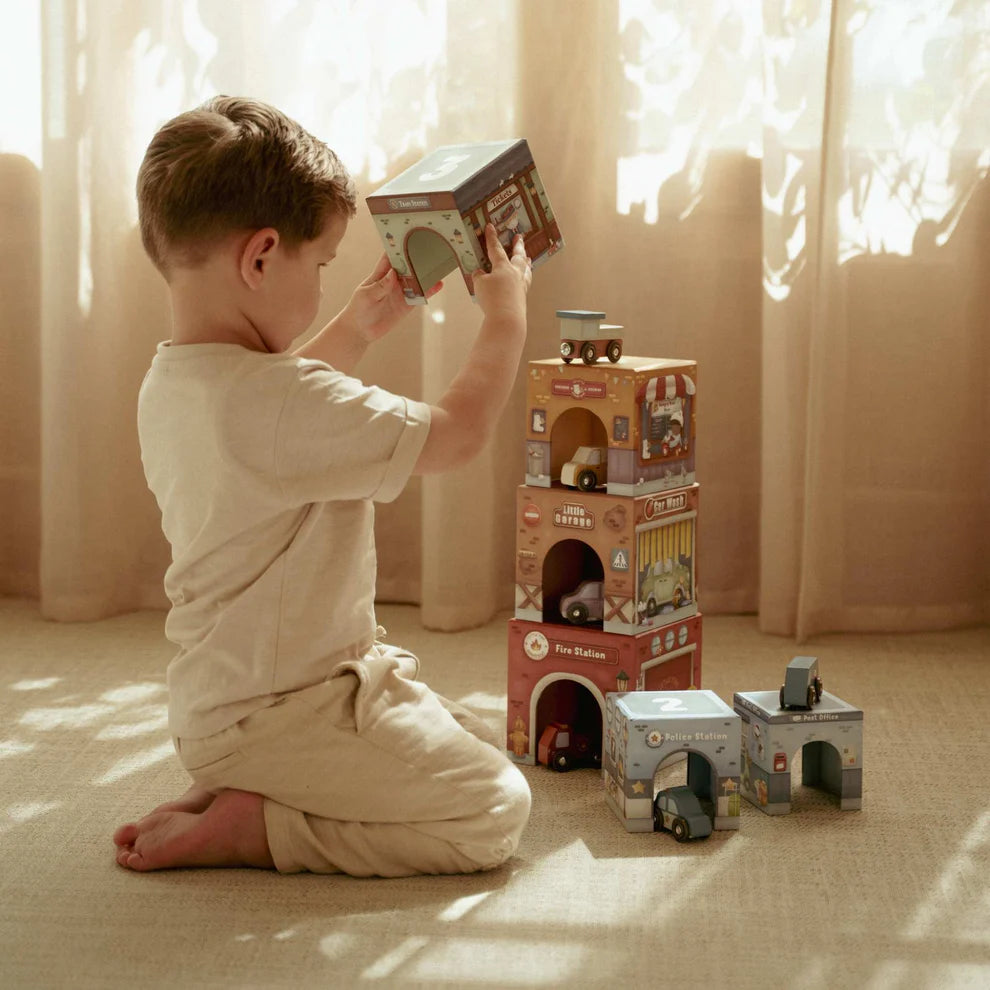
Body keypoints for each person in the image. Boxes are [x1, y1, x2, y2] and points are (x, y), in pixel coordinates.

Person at [112, 96, 533, 877]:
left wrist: (362, 321)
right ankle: (261, 827)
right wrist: (505, 320)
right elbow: (458, 435)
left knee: (471, 734)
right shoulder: (277, 405)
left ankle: (246, 785)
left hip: (231, 703)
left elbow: (279, 421)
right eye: (323, 264)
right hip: (283, 711)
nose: (326, 282)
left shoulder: (176, 380)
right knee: (493, 808)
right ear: (262, 257)